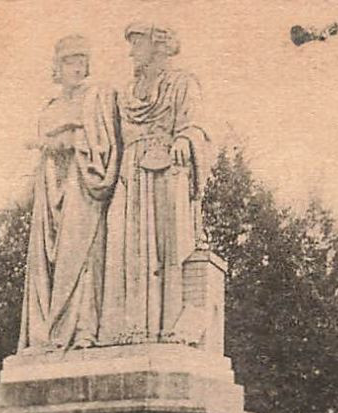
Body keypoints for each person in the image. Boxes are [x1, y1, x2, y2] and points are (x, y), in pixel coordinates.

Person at [101, 22, 211, 344]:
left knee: (167, 245)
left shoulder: (182, 83)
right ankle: (129, 325)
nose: (132, 51)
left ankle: (167, 326)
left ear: (157, 45)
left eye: (138, 43)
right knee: (124, 242)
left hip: (167, 168)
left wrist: (185, 139)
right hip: (131, 171)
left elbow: (197, 123)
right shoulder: (126, 92)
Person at [20, 33, 121, 350]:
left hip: (82, 182)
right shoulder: (50, 107)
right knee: (50, 261)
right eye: (70, 61)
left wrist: (67, 142)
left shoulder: (96, 98)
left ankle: (83, 330)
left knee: (83, 256)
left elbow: (104, 143)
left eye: (82, 61)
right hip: (51, 187)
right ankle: (49, 332)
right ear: (57, 66)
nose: (77, 68)